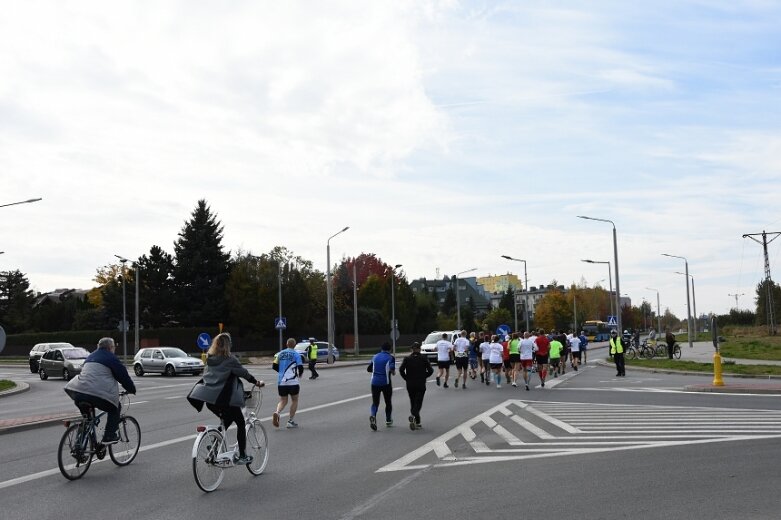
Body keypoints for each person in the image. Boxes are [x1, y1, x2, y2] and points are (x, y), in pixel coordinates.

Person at [187, 332, 264, 465]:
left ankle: (214, 447)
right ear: (228, 345)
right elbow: (244, 373)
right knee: (240, 422)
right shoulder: (230, 360)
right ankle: (242, 456)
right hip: (224, 399)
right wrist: (256, 382)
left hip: (210, 400)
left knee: (226, 421)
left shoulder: (210, 359)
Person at [64, 337, 136, 445]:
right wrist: (131, 389)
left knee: (87, 420)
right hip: (96, 395)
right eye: (114, 347)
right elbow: (123, 377)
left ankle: (80, 445)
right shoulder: (111, 358)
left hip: (78, 393)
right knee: (115, 408)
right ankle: (109, 436)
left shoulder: (90, 357)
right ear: (110, 348)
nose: (114, 349)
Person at [399, 342, 434, 430]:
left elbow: (401, 370)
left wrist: (406, 378)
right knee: (418, 402)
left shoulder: (407, 358)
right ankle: (414, 415)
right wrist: (424, 376)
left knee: (413, 401)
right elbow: (431, 370)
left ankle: (417, 422)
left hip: (410, 384)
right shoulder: (423, 358)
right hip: (420, 384)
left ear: (412, 349)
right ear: (419, 349)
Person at [272, 338, 305, 428]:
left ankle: (277, 412)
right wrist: (300, 374)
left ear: (286, 344)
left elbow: (274, 366)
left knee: (283, 400)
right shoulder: (296, 354)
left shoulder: (280, 354)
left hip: (281, 382)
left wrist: (281, 371)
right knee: (294, 400)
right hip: (293, 382)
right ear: (294, 345)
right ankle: (290, 421)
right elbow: (300, 367)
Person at [367, 342, 396, 430]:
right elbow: (392, 369)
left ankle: (373, 415)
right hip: (385, 383)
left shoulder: (375, 356)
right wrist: (393, 372)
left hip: (374, 382)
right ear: (390, 349)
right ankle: (388, 420)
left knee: (375, 402)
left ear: (381, 348)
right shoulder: (391, 357)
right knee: (388, 402)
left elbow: (369, 368)